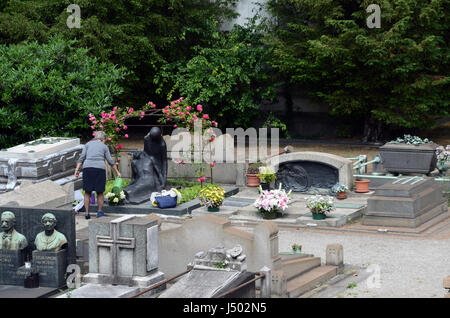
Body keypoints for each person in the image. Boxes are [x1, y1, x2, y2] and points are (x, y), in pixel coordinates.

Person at [75, 131, 121, 219]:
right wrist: (117, 172)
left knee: (87, 191)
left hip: (87, 169)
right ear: (103, 139)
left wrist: (77, 170)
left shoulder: (87, 144)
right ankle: (99, 212)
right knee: (100, 192)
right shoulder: (104, 146)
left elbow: (82, 158)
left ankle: (87, 213)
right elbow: (110, 160)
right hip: (99, 169)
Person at [124, 127, 167, 204]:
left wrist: (163, 180)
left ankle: (129, 193)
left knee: (144, 182)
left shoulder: (162, 144)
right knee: (139, 177)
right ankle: (128, 190)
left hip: (154, 165)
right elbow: (145, 152)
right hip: (146, 161)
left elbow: (164, 161)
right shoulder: (147, 139)